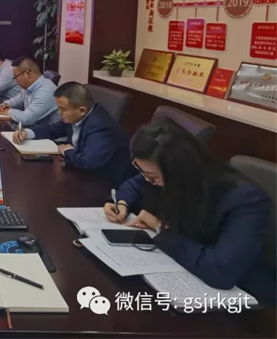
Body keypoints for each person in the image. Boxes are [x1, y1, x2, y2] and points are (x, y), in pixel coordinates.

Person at [103, 119, 275, 305]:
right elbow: (136, 184)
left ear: (178, 171)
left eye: (152, 177)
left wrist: (160, 228)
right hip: (190, 268)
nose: (147, 180)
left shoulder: (245, 199)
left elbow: (221, 272)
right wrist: (122, 202)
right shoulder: (173, 174)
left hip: (243, 299)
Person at [12, 82, 134, 186]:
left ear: (81, 110)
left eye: (62, 109)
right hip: (80, 173)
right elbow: (53, 129)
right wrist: (27, 132)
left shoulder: (100, 127)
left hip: (104, 185)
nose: (59, 113)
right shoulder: (75, 116)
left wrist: (67, 150)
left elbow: (88, 162)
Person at [0, 57, 59, 127]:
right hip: (35, 129)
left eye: (15, 77)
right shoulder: (28, 87)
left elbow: (27, 119)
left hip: (48, 133)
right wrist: (6, 104)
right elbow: (17, 99)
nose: (15, 81)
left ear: (28, 74)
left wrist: (8, 111)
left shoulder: (45, 91)